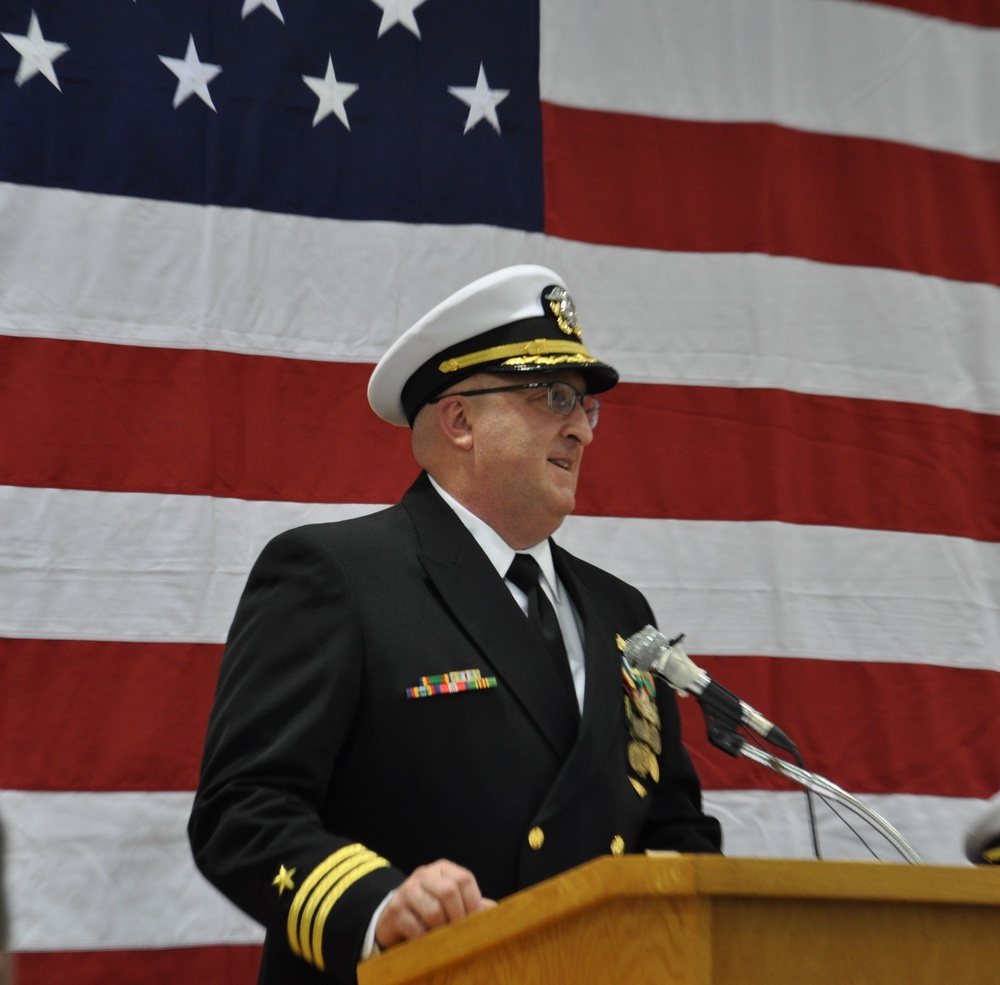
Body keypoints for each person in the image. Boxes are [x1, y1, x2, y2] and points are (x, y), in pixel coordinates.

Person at [188, 265, 722, 985]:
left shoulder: (623, 614)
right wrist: (379, 909)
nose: (581, 428)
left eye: (587, 406)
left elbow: (670, 827)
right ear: (460, 420)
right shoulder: (335, 575)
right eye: (554, 396)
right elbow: (241, 811)